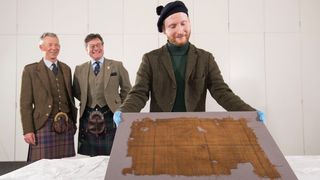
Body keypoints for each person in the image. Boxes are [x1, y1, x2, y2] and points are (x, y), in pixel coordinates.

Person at [114, 1, 265, 125]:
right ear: (163, 30)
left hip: (195, 127)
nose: (180, 30)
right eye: (172, 26)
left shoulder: (205, 59)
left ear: (189, 23)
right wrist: (124, 111)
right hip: (160, 128)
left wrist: (249, 112)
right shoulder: (150, 59)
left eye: (183, 23)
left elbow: (222, 92)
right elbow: (139, 93)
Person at [20, 32, 77, 162]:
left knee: (65, 168)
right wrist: (28, 130)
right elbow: (25, 104)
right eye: (50, 44)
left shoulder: (66, 69)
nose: (54, 48)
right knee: (41, 168)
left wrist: (73, 124)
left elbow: (70, 98)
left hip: (65, 124)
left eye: (57, 45)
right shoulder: (31, 70)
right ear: (42, 48)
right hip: (43, 124)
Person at [73, 33, 132, 156]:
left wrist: (118, 104)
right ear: (86, 49)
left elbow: (127, 89)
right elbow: (77, 92)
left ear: (103, 46)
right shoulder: (79, 69)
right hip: (87, 115)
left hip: (111, 114)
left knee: (112, 154)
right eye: (92, 46)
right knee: (90, 156)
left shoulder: (117, 65)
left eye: (99, 45)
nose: (96, 48)